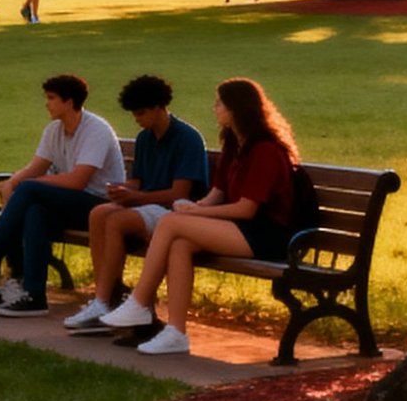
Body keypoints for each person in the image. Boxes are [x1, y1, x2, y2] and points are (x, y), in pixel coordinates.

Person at [101, 79, 303, 356]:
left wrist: (198, 212)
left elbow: (246, 209)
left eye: (219, 103)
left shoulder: (265, 150)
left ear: (236, 108)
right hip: (238, 228)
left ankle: (138, 302)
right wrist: (192, 206)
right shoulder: (234, 144)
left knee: (171, 222)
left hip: (267, 235)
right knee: (180, 243)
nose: (214, 108)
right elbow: (217, 194)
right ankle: (176, 333)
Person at [0, 73, 125, 317]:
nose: (46, 103)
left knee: (30, 190)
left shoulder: (96, 130)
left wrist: (29, 185)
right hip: (70, 204)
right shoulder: (54, 130)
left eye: (51, 98)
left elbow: (77, 181)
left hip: (99, 206)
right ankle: (34, 296)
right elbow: (34, 168)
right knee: (34, 212)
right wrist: (11, 183)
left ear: (69, 102)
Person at [62, 74, 213, 335]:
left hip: (174, 211)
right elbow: (138, 181)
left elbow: (179, 192)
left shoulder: (187, 138)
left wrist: (136, 198)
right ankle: (103, 298)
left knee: (116, 220)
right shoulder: (145, 138)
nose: (138, 119)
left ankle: (107, 299)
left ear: (159, 107)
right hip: (146, 206)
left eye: (142, 113)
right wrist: (121, 190)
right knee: (99, 213)